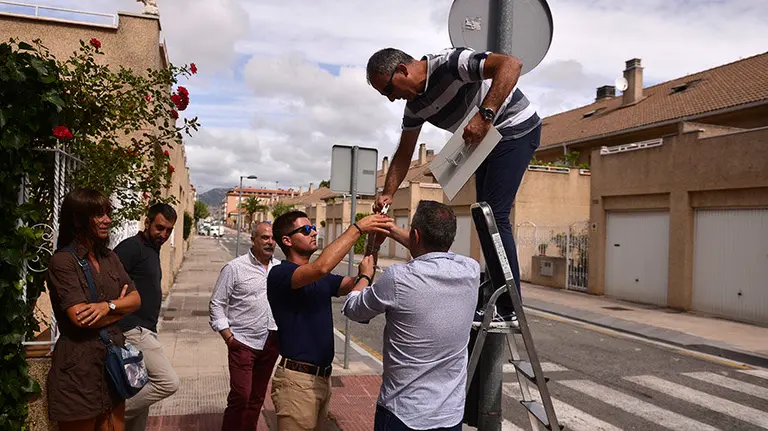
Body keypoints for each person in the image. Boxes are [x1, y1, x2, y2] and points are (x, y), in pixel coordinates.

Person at [367, 47, 542, 325]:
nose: (391, 98)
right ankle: (495, 290)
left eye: (388, 89)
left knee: (494, 216)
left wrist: (485, 116)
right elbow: (404, 153)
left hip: (514, 128)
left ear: (401, 70)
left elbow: (511, 64)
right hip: (485, 143)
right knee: (481, 215)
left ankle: (510, 306)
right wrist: (387, 192)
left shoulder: (450, 64)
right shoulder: (414, 106)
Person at [343, 201, 479, 431]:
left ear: (415, 235)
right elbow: (433, 249)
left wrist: (365, 275)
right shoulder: (470, 270)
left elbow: (354, 309)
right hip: (449, 417)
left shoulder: (399, 278)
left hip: (403, 414)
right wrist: (392, 229)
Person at [267, 211, 393, 430]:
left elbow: (358, 284)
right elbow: (321, 266)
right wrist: (358, 228)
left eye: (313, 227)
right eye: (306, 230)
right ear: (287, 240)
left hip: (322, 380)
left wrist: (372, 245)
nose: (314, 231)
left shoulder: (321, 279)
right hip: (297, 383)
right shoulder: (281, 274)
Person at [47, 188, 142, 431]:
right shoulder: (63, 261)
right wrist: (121, 309)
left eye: (107, 213)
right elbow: (81, 319)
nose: (107, 220)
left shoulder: (109, 257)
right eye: (99, 215)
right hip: (78, 371)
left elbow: (136, 299)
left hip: (112, 362)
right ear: (78, 219)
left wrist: (107, 306)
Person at [209, 222, 281, 430]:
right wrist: (228, 337)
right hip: (243, 342)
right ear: (253, 240)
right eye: (264, 238)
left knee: (257, 397)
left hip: (271, 341)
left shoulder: (279, 269)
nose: (270, 242)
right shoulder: (235, 268)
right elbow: (217, 303)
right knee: (241, 396)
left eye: (272, 238)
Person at [114, 203, 180, 431]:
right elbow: (108, 282)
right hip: (132, 330)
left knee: (140, 390)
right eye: (159, 228)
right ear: (147, 222)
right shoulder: (131, 247)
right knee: (167, 381)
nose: (163, 234)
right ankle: (108, 416)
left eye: (169, 230)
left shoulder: (152, 249)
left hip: (147, 329)